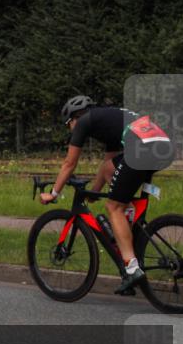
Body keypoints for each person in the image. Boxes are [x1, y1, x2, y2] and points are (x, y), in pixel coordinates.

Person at [40, 95, 174, 293]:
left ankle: (131, 268)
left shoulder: (84, 122)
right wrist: (94, 192)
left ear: (74, 118)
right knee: (117, 194)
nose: (70, 128)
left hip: (141, 151)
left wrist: (53, 193)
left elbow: (69, 163)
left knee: (113, 207)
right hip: (164, 148)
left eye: (68, 124)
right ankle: (129, 240)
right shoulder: (108, 120)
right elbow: (107, 167)